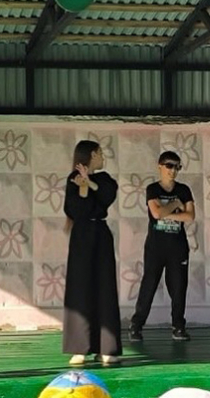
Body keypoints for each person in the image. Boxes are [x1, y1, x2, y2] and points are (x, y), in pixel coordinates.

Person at [63, 140, 122, 366]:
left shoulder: (104, 179)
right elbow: (76, 210)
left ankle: (106, 348)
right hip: (82, 236)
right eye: (99, 153)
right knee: (80, 288)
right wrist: (83, 187)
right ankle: (80, 348)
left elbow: (107, 196)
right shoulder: (73, 179)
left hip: (100, 234)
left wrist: (90, 183)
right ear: (90, 155)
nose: (102, 157)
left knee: (105, 287)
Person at [128, 151, 197, 343]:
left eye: (177, 167)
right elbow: (156, 213)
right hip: (155, 247)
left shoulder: (184, 189)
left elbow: (190, 216)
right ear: (160, 166)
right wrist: (175, 204)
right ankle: (136, 325)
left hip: (178, 246)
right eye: (169, 166)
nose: (173, 170)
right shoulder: (153, 189)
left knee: (178, 287)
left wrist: (167, 211)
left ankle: (178, 326)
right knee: (149, 285)